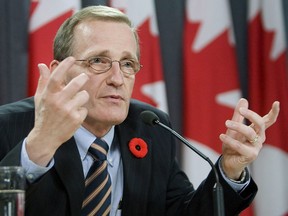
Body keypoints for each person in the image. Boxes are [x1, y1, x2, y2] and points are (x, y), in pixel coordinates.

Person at [0, 5, 280, 216]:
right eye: (99, 61)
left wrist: (229, 170)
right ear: (58, 73)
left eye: (127, 64)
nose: (117, 78)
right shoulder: (10, 126)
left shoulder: (150, 127)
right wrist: (39, 146)